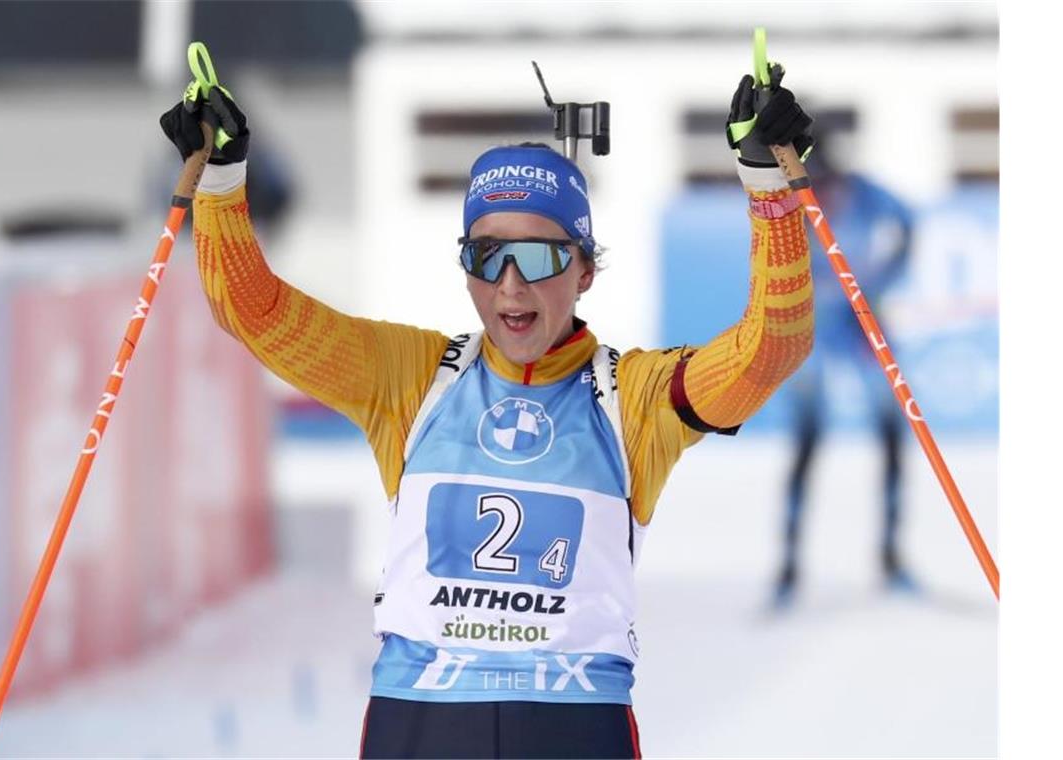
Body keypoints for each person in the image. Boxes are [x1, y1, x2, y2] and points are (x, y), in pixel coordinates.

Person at [160, 64, 815, 758]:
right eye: (486, 254)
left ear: (584, 269)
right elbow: (254, 309)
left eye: (536, 257)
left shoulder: (636, 398)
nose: (509, 286)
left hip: (572, 719)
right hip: (423, 716)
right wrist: (224, 182)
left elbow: (771, 346)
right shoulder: (411, 378)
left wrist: (768, 189)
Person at [773, 127, 917, 607]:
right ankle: (789, 566)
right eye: (821, 180)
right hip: (814, 327)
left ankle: (892, 557)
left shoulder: (861, 191)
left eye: (833, 179)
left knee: (892, 433)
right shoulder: (794, 198)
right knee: (808, 441)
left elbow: (907, 223)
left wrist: (883, 277)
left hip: (862, 322)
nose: (830, 190)